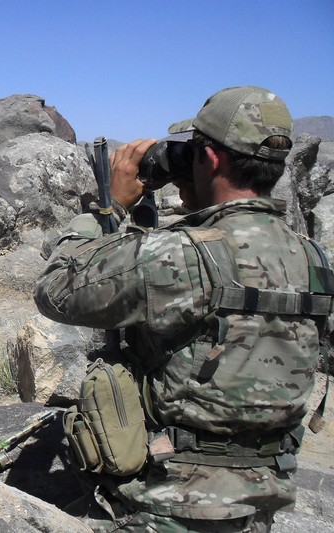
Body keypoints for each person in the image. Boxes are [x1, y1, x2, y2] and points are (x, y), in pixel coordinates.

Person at [34, 86, 334, 531]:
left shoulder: (184, 255)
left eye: (191, 153)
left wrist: (110, 207)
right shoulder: (312, 257)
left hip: (173, 504)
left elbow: (56, 289)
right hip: (262, 501)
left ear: (210, 160)